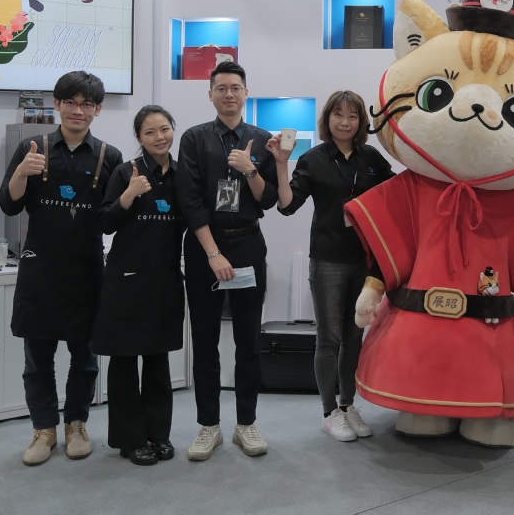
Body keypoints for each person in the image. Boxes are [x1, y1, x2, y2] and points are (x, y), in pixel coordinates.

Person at [0, 70, 123, 466]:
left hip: (87, 271)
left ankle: (76, 425)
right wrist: (22, 172)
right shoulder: (32, 147)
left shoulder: (109, 156)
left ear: (98, 109)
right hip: (40, 269)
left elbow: (110, 220)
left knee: (85, 359)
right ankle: (43, 430)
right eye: (70, 102)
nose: (77, 110)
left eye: (87, 104)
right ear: (57, 104)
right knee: (38, 358)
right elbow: (9, 204)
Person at [267, 90, 395, 442]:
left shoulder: (371, 158)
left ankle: (347, 404)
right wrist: (282, 164)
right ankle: (329, 412)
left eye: (352, 116)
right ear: (327, 119)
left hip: (364, 260)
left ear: (361, 122)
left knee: (355, 335)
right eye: (338, 115)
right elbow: (287, 205)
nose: (345, 122)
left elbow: (397, 193)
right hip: (327, 260)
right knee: (329, 338)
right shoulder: (313, 159)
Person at [175, 61, 278, 461]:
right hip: (205, 247)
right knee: (204, 341)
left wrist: (250, 169)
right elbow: (189, 200)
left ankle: (246, 423)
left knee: (248, 340)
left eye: (235, 87)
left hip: (248, 244)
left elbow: (269, 199)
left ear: (246, 93)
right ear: (211, 95)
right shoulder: (194, 138)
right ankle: (209, 426)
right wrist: (212, 252)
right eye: (221, 88)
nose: (229, 94)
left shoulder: (262, 139)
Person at [93, 105, 186, 466]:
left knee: (158, 360)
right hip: (127, 282)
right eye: (150, 132)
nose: (159, 137)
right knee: (124, 361)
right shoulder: (125, 172)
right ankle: (130, 439)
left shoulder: (182, 174)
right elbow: (105, 222)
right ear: (139, 138)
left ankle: (159, 434)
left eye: (165, 129)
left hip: (165, 280)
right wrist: (128, 195)